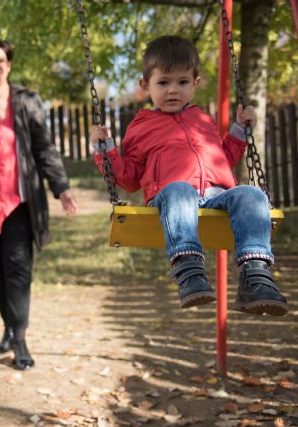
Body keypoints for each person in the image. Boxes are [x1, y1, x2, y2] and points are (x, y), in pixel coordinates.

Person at [91, 35, 288, 316]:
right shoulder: (141, 126)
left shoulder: (202, 119)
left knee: (252, 194)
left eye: (182, 82)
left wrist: (238, 132)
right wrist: (105, 151)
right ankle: (189, 272)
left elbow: (222, 159)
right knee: (180, 189)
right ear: (145, 86)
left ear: (195, 83)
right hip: (171, 198)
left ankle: (255, 277)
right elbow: (130, 177)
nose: (173, 90)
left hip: (217, 196)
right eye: (163, 82)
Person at [0, 39, 79, 370]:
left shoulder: (26, 102)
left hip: (19, 202)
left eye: (0, 59)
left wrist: (61, 187)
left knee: (19, 269)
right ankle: (8, 328)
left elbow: (44, 149)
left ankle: (19, 339)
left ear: (9, 65)